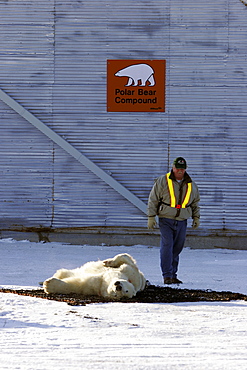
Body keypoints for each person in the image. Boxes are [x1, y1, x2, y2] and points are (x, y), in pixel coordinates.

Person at [147, 157, 200, 285]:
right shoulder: (162, 181)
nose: (179, 171)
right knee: (167, 246)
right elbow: (153, 199)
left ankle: (173, 274)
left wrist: (196, 217)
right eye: (177, 168)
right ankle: (167, 275)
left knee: (177, 248)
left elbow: (195, 202)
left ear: (185, 169)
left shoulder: (191, 184)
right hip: (166, 219)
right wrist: (151, 216)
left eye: (182, 169)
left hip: (182, 220)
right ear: (173, 167)